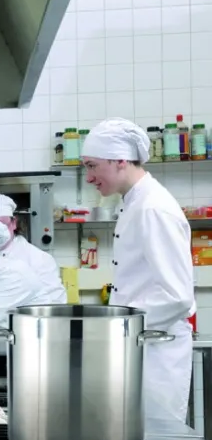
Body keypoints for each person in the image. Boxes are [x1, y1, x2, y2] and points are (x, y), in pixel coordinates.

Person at [82, 118, 195, 423]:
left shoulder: (152, 208)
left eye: (92, 166)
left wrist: (116, 324)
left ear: (120, 160)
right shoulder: (134, 203)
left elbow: (177, 296)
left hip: (156, 353)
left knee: (155, 439)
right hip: (140, 343)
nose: (89, 177)